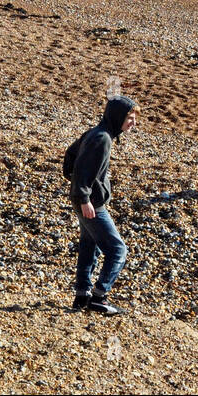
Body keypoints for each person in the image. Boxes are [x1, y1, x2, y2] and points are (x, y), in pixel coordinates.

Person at [65, 95, 137, 315]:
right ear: (117, 117)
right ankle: (99, 297)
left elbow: (71, 155)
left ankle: (82, 296)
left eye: (134, 118)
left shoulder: (97, 132)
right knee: (118, 250)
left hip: (85, 201)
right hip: (91, 204)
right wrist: (84, 198)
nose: (133, 122)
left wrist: (78, 190)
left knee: (89, 247)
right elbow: (82, 168)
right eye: (130, 118)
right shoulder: (102, 138)